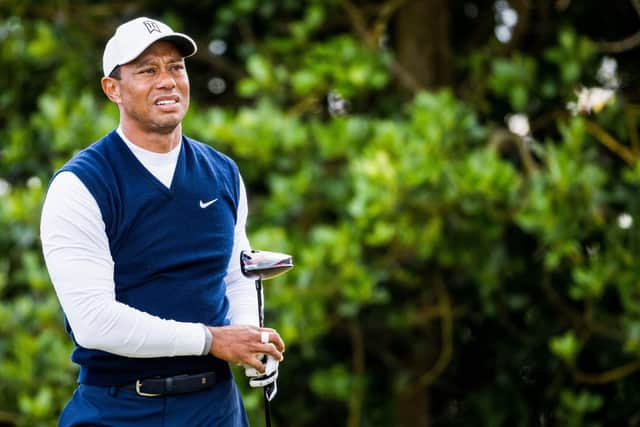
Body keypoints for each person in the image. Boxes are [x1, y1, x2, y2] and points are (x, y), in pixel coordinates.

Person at [40, 16, 284, 427]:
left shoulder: (221, 172)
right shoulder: (80, 185)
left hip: (216, 407)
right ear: (112, 88)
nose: (168, 80)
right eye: (148, 70)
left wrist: (248, 337)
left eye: (176, 67)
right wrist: (212, 340)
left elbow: (236, 273)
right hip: (118, 408)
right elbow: (95, 322)